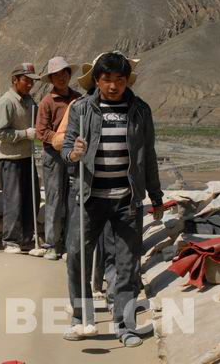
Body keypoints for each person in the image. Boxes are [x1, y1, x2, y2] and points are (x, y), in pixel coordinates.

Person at [61, 51, 164, 347]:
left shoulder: (140, 110)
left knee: (127, 264)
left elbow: (149, 156)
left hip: (127, 199)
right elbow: (67, 149)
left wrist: (156, 196)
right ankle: (82, 318)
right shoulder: (81, 109)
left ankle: (125, 325)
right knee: (78, 258)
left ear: (126, 80)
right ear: (97, 80)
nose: (114, 85)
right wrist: (74, 154)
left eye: (120, 79)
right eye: (107, 79)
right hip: (89, 198)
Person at [0, 63, 40, 254]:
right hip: (11, 159)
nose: (30, 85)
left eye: (32, 81)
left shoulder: (29, 100)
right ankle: (10, 240)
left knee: (31, 198)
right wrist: (24, 134)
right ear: (15, 80)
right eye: (26, 80)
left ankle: (26, 238)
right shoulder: (7, 102)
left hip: (27, 157)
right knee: (14, 200)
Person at [36, 57, 81, 260]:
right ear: (51, 79)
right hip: (53, 157)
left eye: (64, 74)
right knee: (54, 198)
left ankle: (71, 243)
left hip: (72, 156)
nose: (61, 78)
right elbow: (41, 131)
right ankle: (52, 243)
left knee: (73, 198)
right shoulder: (47, 102)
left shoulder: (78, 99)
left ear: (69, 75)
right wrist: (59, 139)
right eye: (57, 75)